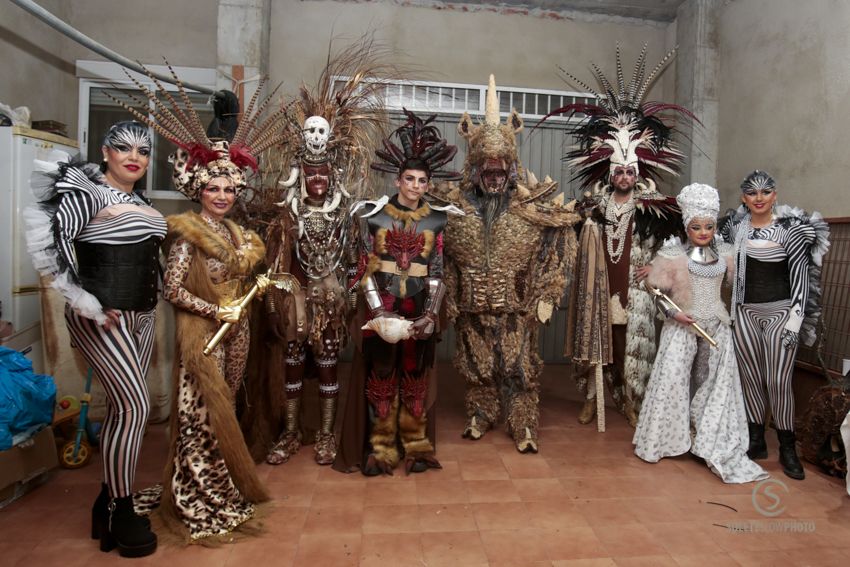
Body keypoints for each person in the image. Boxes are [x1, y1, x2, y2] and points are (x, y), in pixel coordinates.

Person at [115, 67, 288, 541]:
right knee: (197, 415)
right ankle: (197, 493)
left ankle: (224, 484)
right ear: (199, 191)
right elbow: (172, 291)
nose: (222, 196)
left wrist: (252, 296)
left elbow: (241, 281)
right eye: (214, 188)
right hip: (204, 339)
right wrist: (216, 312)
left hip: (238, 334)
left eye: (229, 189)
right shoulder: (188, 234)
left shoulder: (237, 233)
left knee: (226, 410)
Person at [24, 121, 165, 557]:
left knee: (127, 413)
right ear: (105, 151)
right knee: (135, 405)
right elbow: (53, 243)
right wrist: (85, 299)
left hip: (141, 316)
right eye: (123, 147)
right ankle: (121, 510)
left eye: (143, 150)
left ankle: (106, 502)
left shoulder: (136, 197)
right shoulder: (87, 191)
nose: (134, 156)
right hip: (104, 318)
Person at [545, 45, 694, 427]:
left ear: (637, 173)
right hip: (599, 284)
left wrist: (655, 269)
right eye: (618, 172)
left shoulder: (654, 210)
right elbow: (573, 241)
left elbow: (673, 248)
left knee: (631, 346)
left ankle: (630, 400)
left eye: (629, 172)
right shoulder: (593, 205)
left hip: (636, 288)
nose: (624, 177)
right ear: (609, 174)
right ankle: (593, 398)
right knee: (599, 343)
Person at [435, 76, 579, 453]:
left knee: (520, 367)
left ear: (510, 170)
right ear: (477, 171)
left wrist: (548, 293)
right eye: (489, 171)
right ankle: (480, 412)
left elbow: (558, 246)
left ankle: (523, 422)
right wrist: (446, 295)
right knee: (476, 365)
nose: (495, 177)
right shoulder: (455, 211)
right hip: (472, 308)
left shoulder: (532, 210)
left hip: (517, 309)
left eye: (501, 171)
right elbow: (441, 255)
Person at [261, 48, 385, 466]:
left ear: (332, 175)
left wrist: (351, 294)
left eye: (323, 174)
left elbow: (357, 259)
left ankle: (328, 434)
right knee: (294, 363)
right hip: (297, 300)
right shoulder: (287, 214)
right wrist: (278, 297)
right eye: (310, 174)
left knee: (329, 364)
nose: (316, 180)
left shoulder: (347, 214)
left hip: (330, 302)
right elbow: (278, 261)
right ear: (301, 175)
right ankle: (292, 431)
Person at [336, 109, 460, 475]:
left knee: (415, 379)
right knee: (381, 379)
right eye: (410, 178)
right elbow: (364, 266)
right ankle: (379, 450)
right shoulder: (374, 216)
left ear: (427, 183)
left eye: (422, 180)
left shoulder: (438, 219)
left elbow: (437, 270)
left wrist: (430, 315)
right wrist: (377, 313)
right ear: (398, 179)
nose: (416, 186)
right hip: (384, 303)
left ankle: (416, 449)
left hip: (419, 302)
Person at [632, 183, 768, 483]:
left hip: (716, 327)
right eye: (697, 227)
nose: (704, 232)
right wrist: (674, 313)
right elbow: (655, 291)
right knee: (674, 380)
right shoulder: (672, 254)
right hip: (682, 326)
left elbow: (739, 288)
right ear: (686, 227)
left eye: (708, 226)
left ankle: (704, 434)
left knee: (711, 381)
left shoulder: (727, 255)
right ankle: (666, 439)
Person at [720, 170, 829, 480]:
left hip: (781, 313)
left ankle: (787, 447)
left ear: (775, 196)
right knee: (751, 378)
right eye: (752, 193)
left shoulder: (789, 232)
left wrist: (795, 322)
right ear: (744, 198)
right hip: (743, 313)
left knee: (779, 381)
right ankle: (756, 441)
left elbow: (801, 281)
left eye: (765, 192)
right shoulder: (736, 230)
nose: (759, 198)